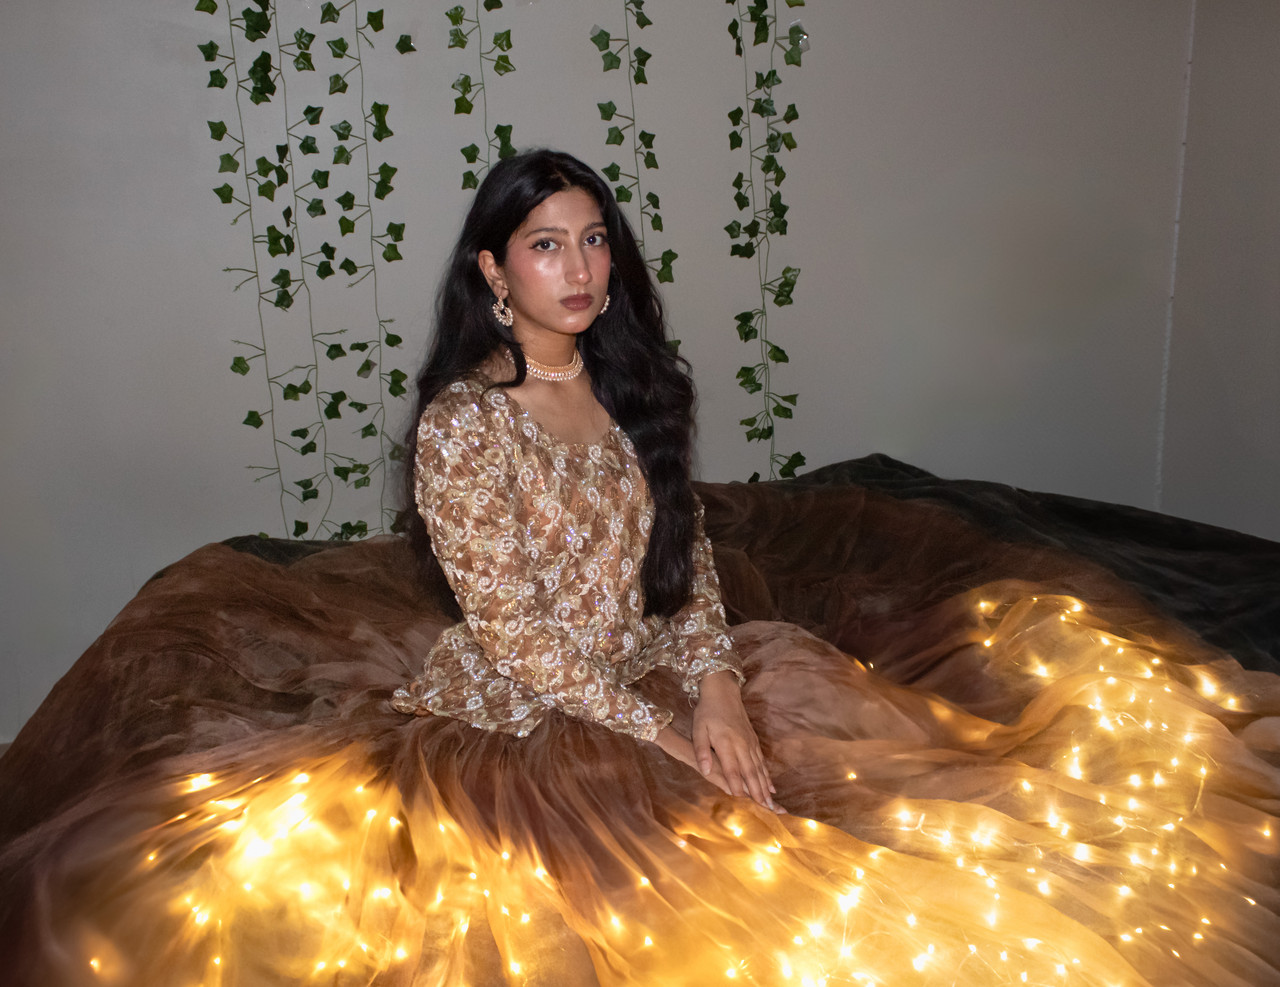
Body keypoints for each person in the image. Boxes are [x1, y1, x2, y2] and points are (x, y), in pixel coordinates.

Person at [389, 148, 779, 812]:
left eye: (593, 240)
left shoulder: (631, 384)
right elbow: (513, 632)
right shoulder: (465, 422)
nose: (579, 269)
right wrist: (663, 738)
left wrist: (718, 689)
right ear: (493, 270)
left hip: (653, 666)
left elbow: (685, 551)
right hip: (530, 706)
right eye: (546, 244)